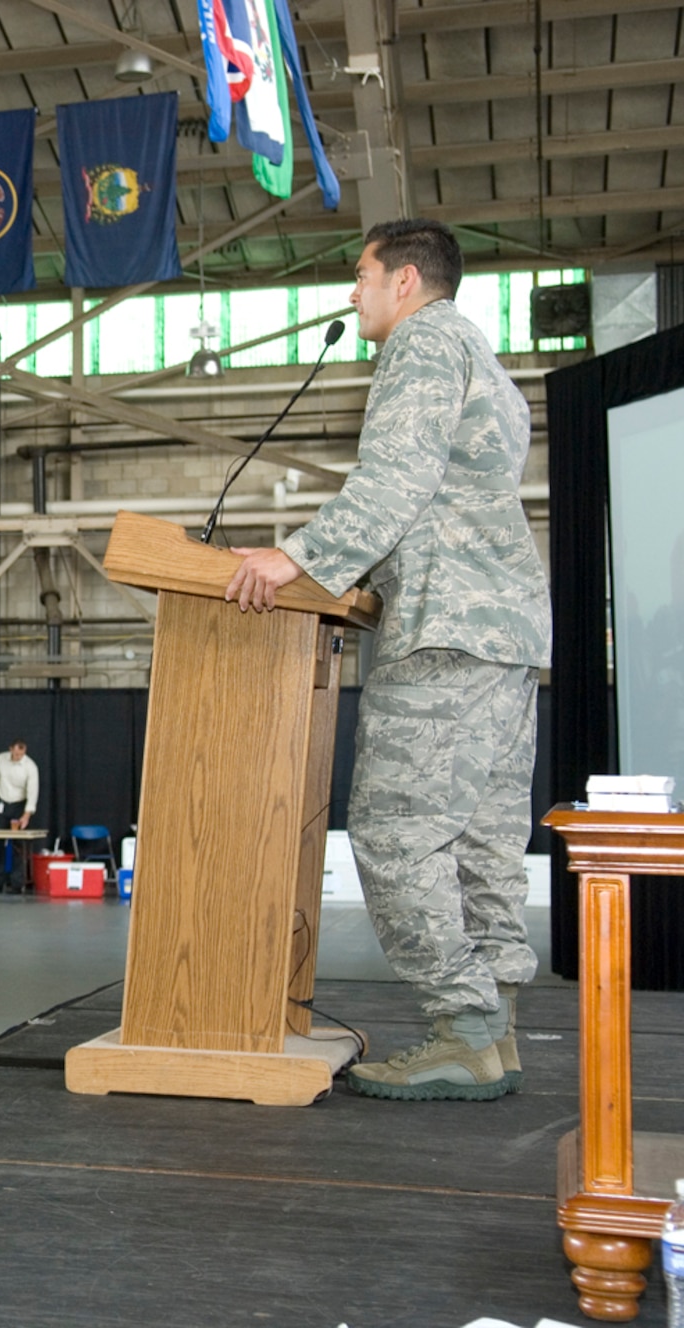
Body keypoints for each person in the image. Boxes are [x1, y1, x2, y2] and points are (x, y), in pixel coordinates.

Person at [226, 219, 550, 1103]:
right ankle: (495, 1033)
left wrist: (295, 556)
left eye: (361, 276)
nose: (353, 292)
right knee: (481, 842)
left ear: (405, 280)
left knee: (397, 830)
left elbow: (394, 480)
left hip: (447, 627)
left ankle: (465, 1026)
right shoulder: (481, 356)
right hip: (507, 630)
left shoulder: (421, 343)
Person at [0, 739, 40, 893]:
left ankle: (17, 883)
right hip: (3, 802)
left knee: (18, 846)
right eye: (15, 753)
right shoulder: (1, 759)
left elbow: (33, 792)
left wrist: (26, 815)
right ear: (10, 749)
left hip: (20, 806)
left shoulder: (30, 766)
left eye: (21, 754)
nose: (18, 757)